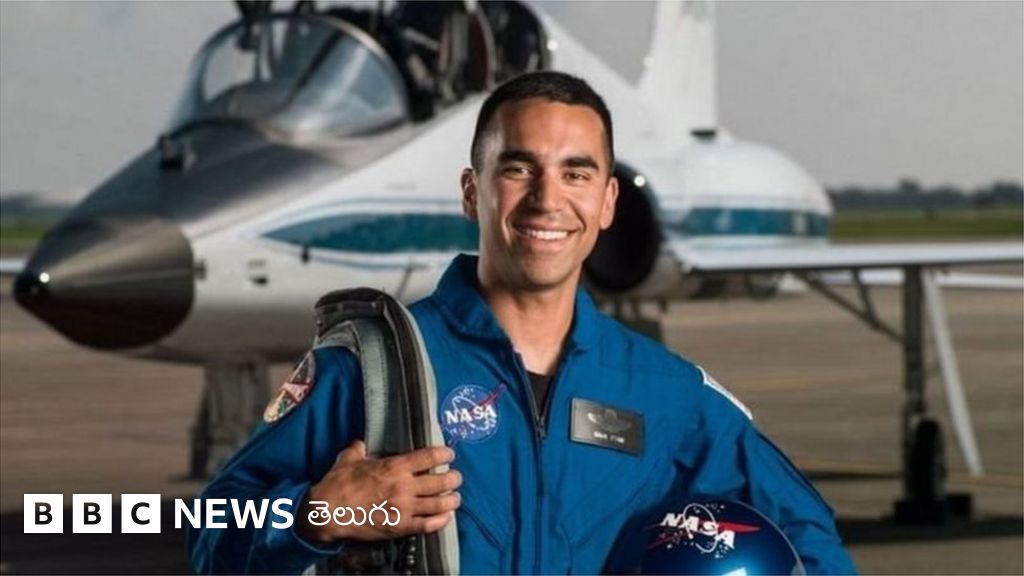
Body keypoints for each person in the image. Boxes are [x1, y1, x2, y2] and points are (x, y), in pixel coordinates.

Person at [188, 71, 857, 574]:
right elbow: (212, 527)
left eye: (576, 174)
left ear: (606, 203)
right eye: (518, 168)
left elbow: (807, 533)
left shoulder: (667, 392)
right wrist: (315, 516)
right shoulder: (372, 370)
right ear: (472, 191)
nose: (547, 200)